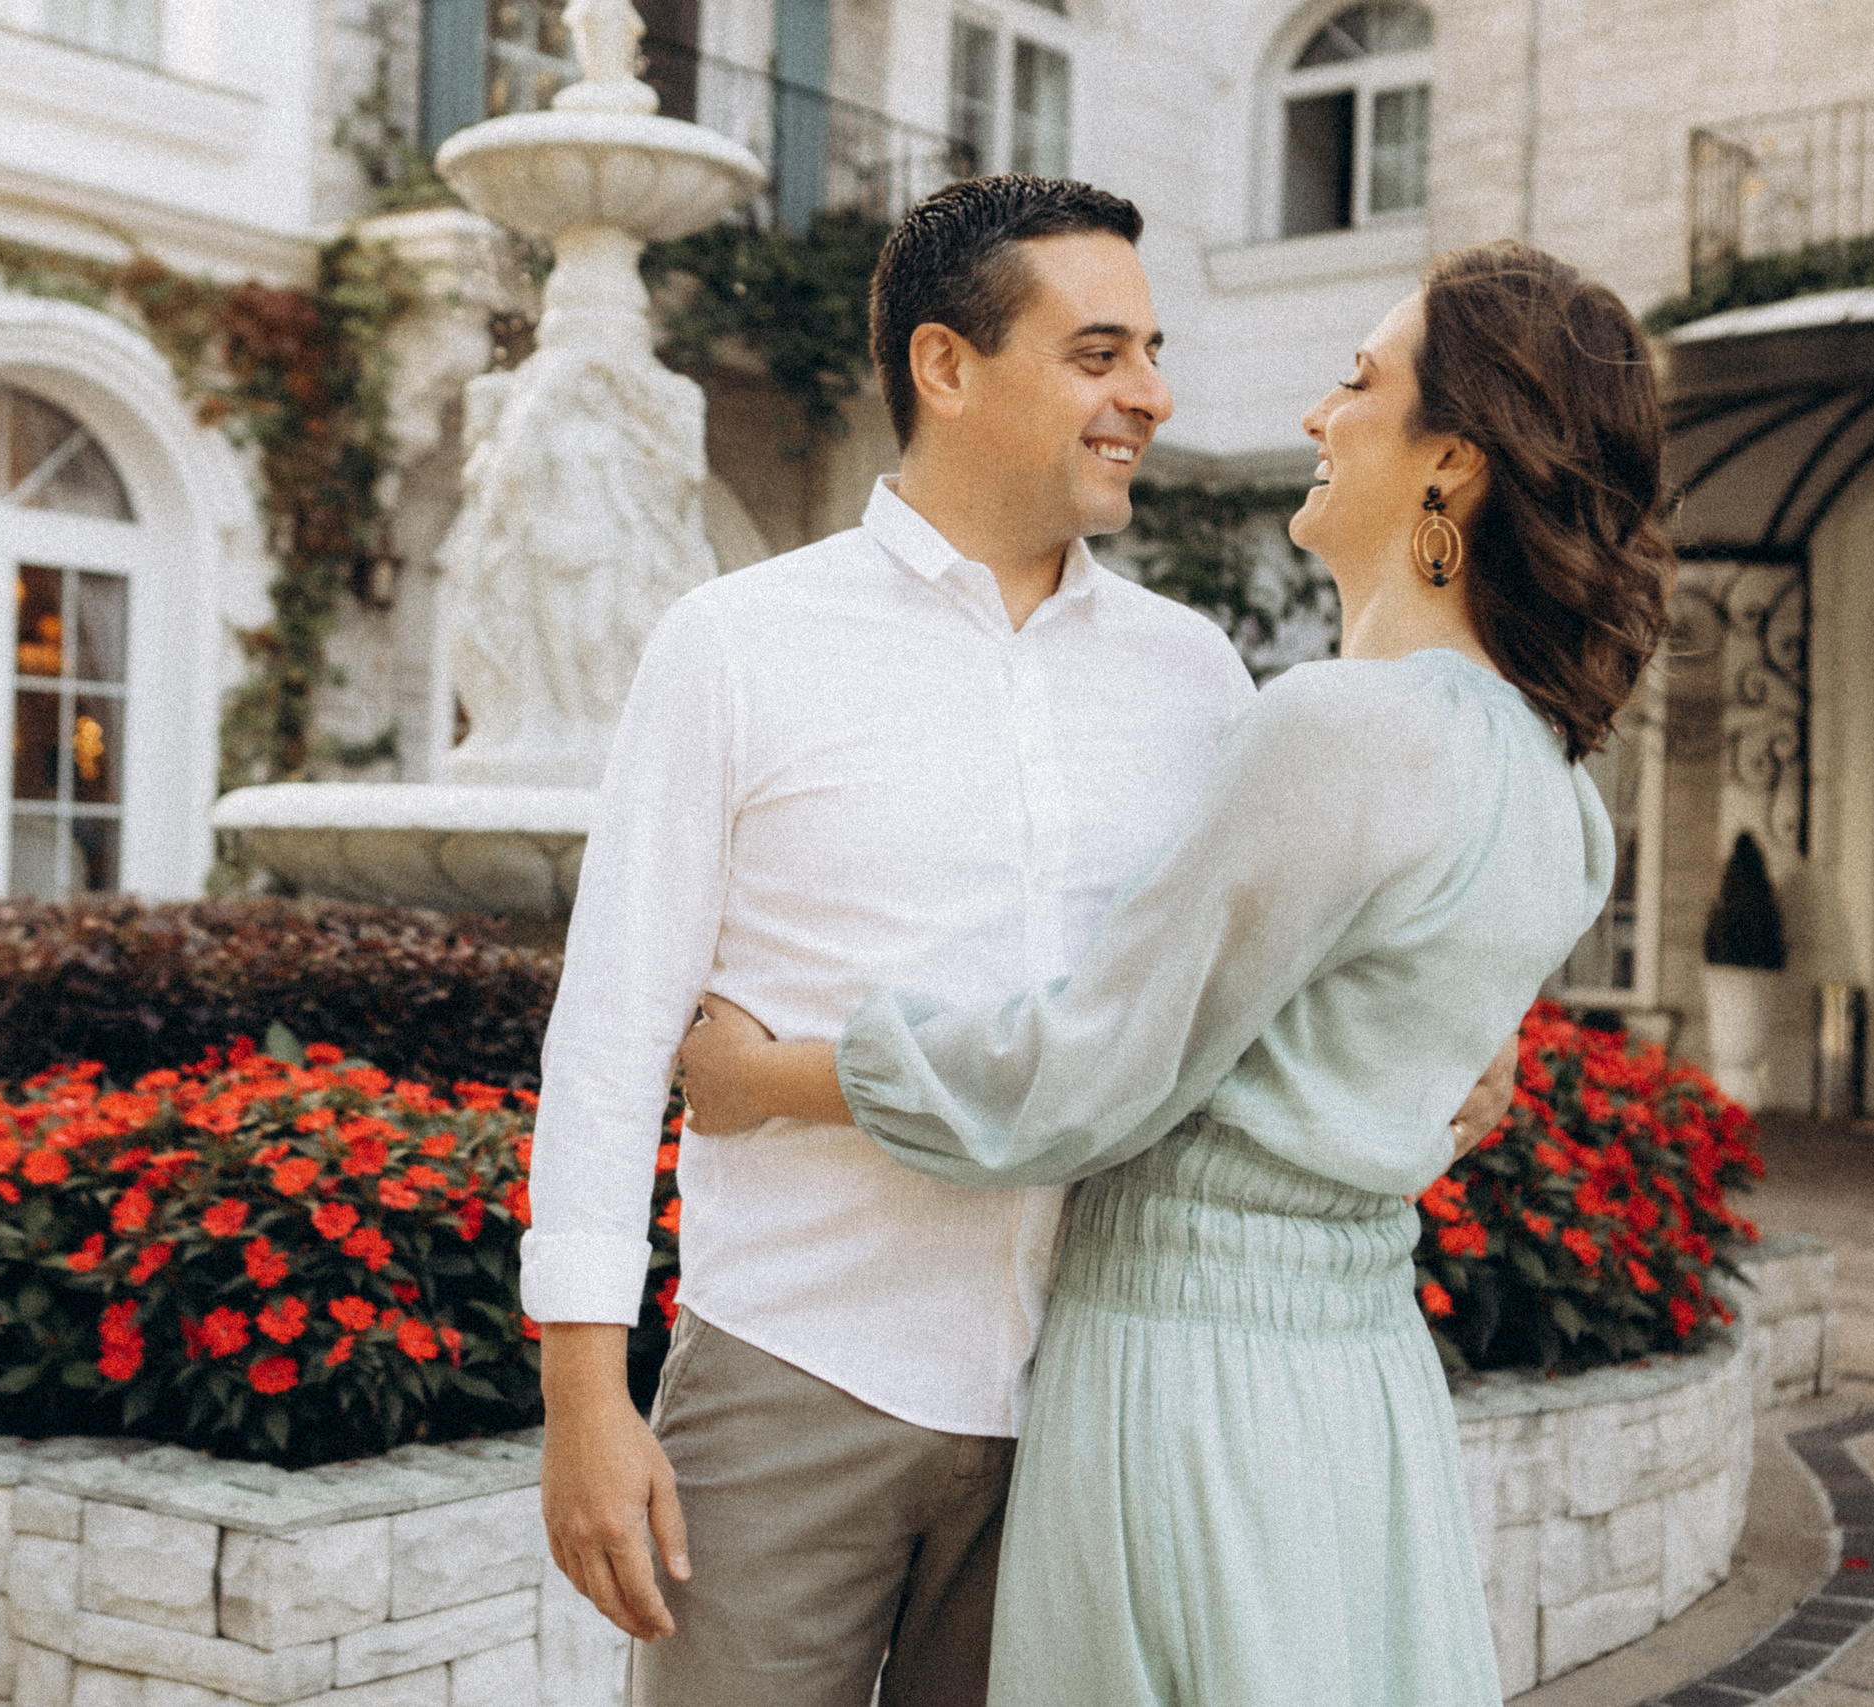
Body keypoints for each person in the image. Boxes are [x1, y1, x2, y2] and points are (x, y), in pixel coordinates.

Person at [526, 173, 1523, 1706]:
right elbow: (607, 1035)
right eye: (1099, 352)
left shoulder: (1198, 676)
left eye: (1152, 350)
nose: (1153, 395)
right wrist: (585, 1396)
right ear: (946, 365)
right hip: (800, 1372)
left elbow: (1302, 936)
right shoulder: (736, 644)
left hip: (1088, 1398)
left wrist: (1471, 1028)